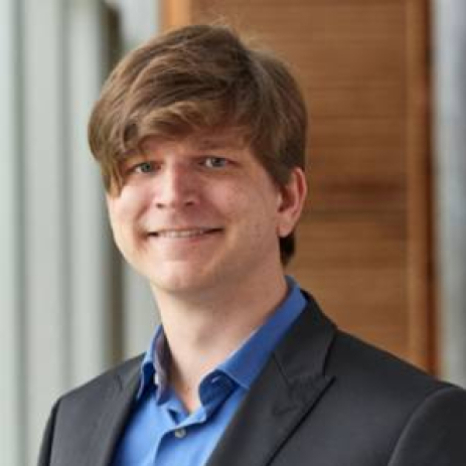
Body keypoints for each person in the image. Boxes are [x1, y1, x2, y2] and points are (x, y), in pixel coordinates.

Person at [38, 24, 466, 466]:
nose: (172, 194)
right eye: (144, 166)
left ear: (287, 198)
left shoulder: (412, 424)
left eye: (212, 161)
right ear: (113, 201)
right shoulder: (73, 423)